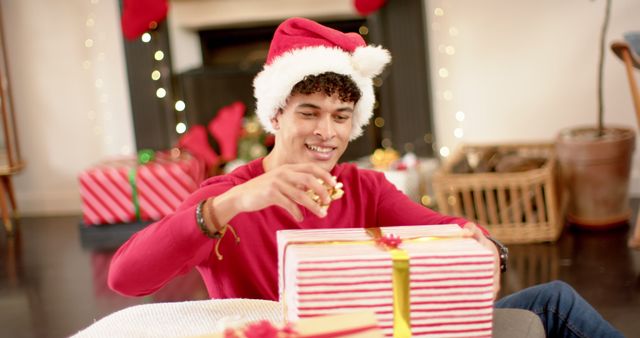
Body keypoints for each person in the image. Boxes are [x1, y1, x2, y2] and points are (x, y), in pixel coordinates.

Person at [108, 17, 623, 338]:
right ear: (275, 117)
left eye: (340, 117)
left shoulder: (363, 187)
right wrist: (232, 204)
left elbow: (444, 226)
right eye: (308, 112)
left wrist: (484, 244)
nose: (326, 133)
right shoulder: (227, 197)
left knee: (552, 299)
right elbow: (126, 278)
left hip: (385, 328)